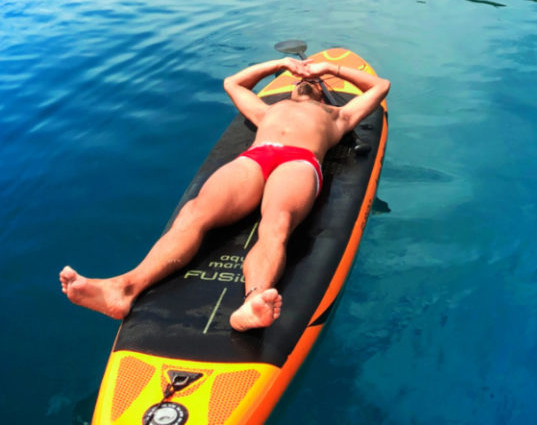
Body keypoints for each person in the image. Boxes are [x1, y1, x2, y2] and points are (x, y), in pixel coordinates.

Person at [60, 56, 390, 331]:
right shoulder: (266, 111)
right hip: (255, 158)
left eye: (312, 83)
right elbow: (233, 83)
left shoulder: (338, 116)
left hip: (299, 161)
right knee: (194, 212)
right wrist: (279, 64)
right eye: (298, 81)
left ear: (322, 92)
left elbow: (380, 86)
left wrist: (328, 70)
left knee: (276, 224)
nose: (303, 81)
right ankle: (124, 288)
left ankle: (252, 303)